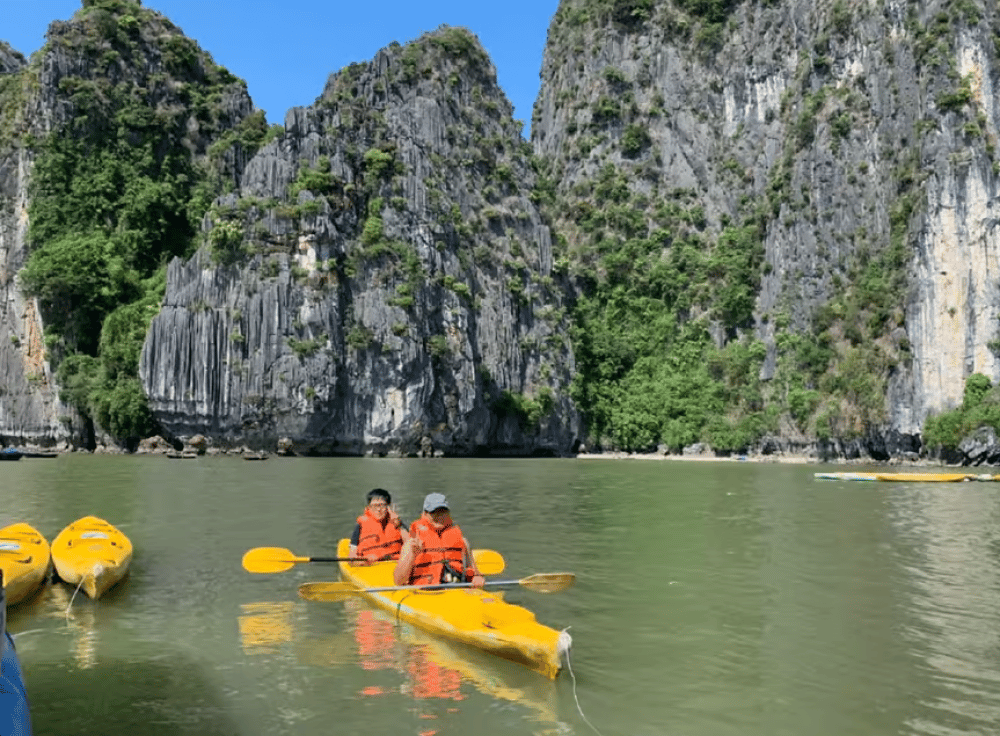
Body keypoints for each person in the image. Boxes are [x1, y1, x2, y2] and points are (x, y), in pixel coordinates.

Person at [393, 493, 485, 588]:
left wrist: (477, 578)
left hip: (457, 590)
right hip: (426, 593)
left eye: (443, 511)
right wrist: (412, 556)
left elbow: (475, 573)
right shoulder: (412, 543)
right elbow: (398, 581)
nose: (439, 516)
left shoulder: (463, 541)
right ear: (425, 514)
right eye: (434, 512)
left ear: (448, 513)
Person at [349, 488, 409, 563]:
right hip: (370, 566)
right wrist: (363, 560)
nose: (378, 509)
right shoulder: (361, 524)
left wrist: (399, 525)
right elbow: (352, 557)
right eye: (374, 506)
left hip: (394, 563)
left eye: (382, 505)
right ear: (369, 507)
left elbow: (411, 546)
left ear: (388, 507)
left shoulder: (396, 521)